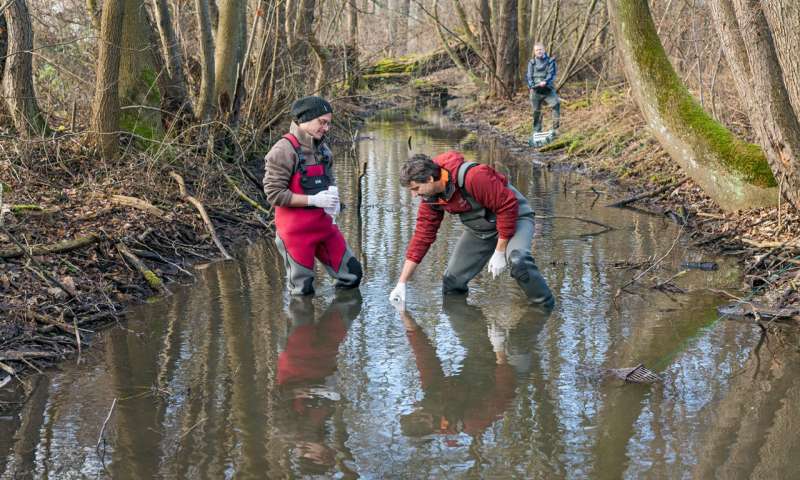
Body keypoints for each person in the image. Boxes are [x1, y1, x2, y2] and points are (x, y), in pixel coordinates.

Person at [388, 152, 554, 307]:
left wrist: (500, 251)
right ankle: (473, 332)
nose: (415, 195)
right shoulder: (430, 199)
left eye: (416, 189)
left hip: (516, 218)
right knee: (452, 283)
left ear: (430, 179)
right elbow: (422, 237)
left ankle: (544, 308)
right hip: (481, 230)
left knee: (519, 262)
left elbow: (507, 207)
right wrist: (402, 283)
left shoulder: (473, 176)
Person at [263, 96, 362, 295]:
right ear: (305, 120)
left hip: (325, 227)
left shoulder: (323, 149)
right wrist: (313, 200)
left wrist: (333, 201)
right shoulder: (282, 151)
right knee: (303, 291)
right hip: (295, 234)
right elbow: (274, 194)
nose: (326, 128)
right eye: (322, 122)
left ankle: (334, 321)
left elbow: (330, 180)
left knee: (352, 275)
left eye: (328, 123)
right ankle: (303, 323)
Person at [526, 43, 560, 136]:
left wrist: (545, 81)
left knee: (556, 104)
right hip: (535, 91)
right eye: (537, 50)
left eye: (540, 49)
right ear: (534, 52)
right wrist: (532, 85)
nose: (539, 51)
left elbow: (551, 74)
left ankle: (555, 129)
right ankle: (537, 130)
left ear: (544, 50)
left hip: (547, 89)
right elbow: (529, 76)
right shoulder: (531, 63)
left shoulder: (550, 61)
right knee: (536, 111)